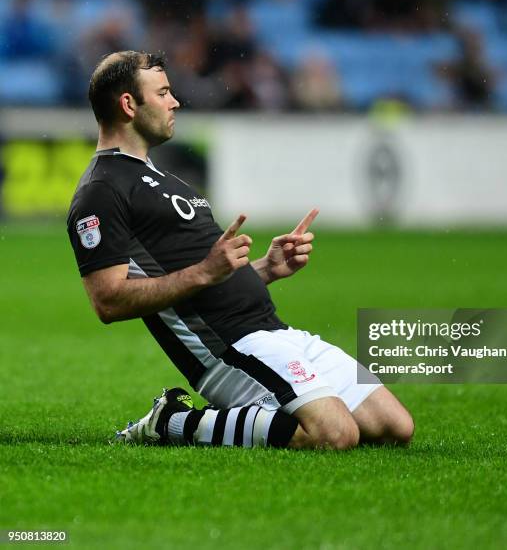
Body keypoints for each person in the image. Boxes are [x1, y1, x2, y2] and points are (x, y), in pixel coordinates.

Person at [67, 50, 415, 450]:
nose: (175, 101)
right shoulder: (101, 190)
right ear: (129, 104)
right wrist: (204, 272)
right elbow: (107, 301)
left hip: (275, 330)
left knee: (394, 427)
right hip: (228, 347)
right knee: (334, 434)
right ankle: (172, 423)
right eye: (163, 93)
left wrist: (264, 268)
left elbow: (208, 274)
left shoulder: (162, 178)